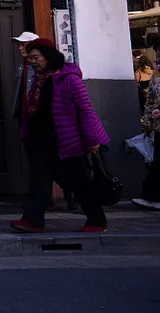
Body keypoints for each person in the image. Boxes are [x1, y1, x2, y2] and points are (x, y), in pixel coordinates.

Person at [11, 39, 110, 233]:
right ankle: (32, 221)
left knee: (79, 181)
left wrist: (92, 140)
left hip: (67, 140)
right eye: (30, 58)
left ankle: (97, 220)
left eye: (36, 57)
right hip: (42, 139)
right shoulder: (39, 80)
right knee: (39, 180)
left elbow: (85, 109)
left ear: (48, 56)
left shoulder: (69, 78)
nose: (33, 61)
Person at [134, 33, 160, 211]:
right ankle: (151, 197)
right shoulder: (156, 78)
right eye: (157, 56)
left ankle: (151, 196)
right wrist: (148, 122)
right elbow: (150, 100)